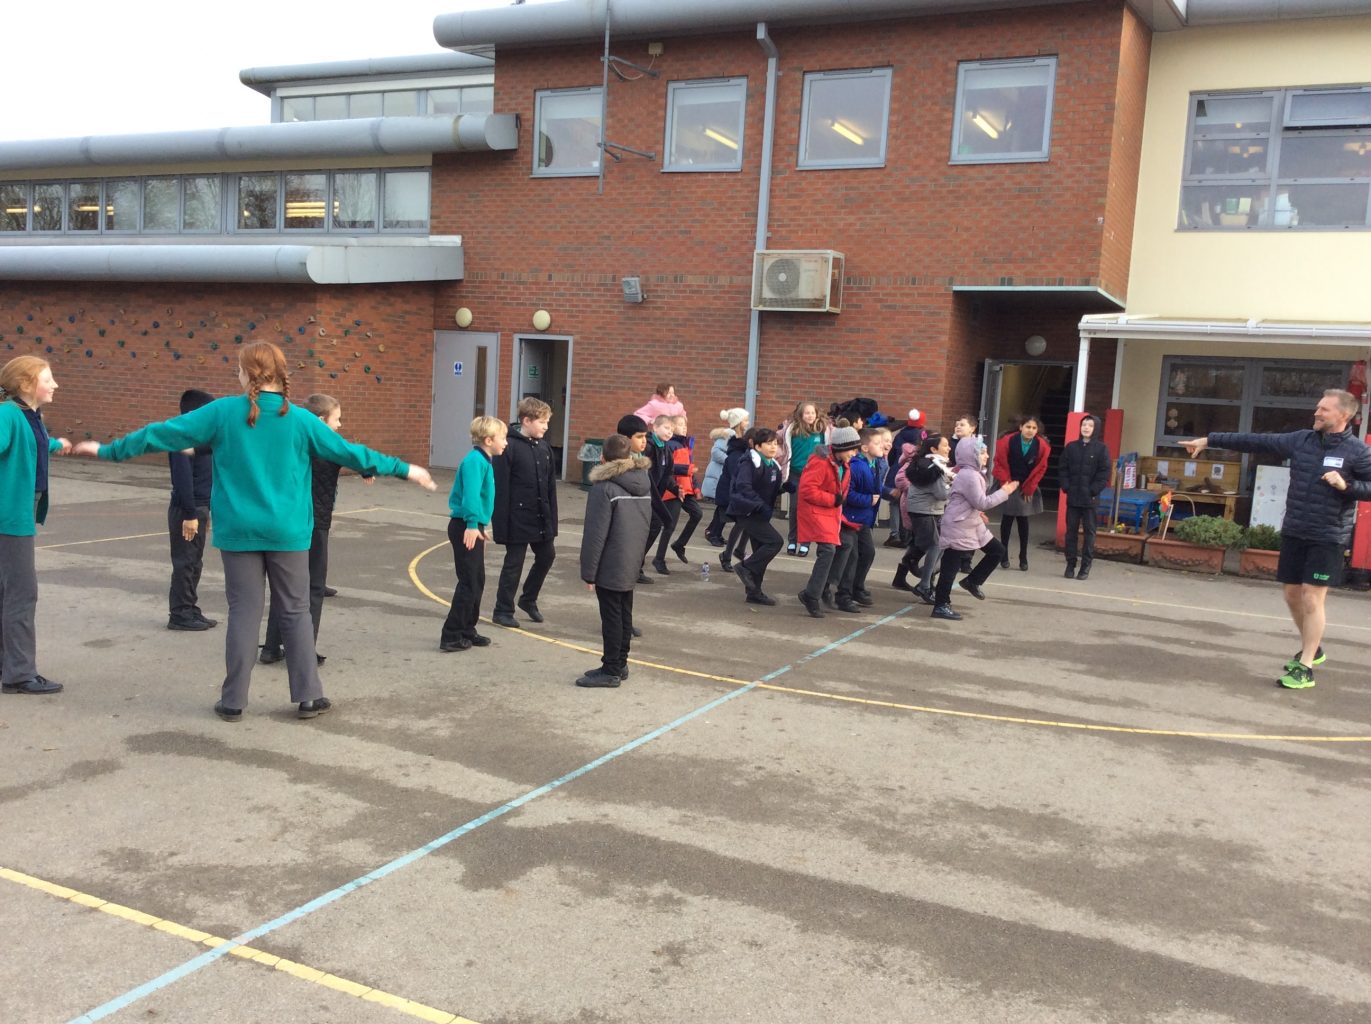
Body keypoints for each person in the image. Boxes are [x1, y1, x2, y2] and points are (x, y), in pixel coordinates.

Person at [75, 341, 436, 721]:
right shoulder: (300, 420)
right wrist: (405, 469)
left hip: (239, 530)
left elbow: (163, 433)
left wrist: (109, 450)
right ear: (281, 375)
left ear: (247, 374)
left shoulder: (222, 412)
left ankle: (233, 701)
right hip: (288, 531)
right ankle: (308, 696)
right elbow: (351, 453)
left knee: (243, 613)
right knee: (295, 611)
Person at [1182, 388, 1371, 689]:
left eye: (1324, 409)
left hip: (1328, 535)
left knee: (1312, 596)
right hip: (1295, 529)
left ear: (1344, 415)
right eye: (1318, 407)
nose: (1316, 412)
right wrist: (1208, 440)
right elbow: (1256, 440)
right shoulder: (1301, 440)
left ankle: (1305, 667)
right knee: (1292, 595)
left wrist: (1346, 485)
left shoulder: (1358, 452)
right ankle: (1314, 647)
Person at [260, 393, 371, 665]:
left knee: (285, 586)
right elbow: (358, 457)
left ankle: (272, 646)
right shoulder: (327, 443)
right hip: (315, 524)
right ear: (321, 420)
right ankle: (303, 650)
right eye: (337, 419)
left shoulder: (292, 439)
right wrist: (367, 469)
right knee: (313, 587)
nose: (340, 425)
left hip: (287, 521)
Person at [0, 356, 72, 696]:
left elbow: (34, 441)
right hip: (9, 516)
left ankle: (8, 665)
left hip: (17, 513)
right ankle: (19, 675)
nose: (55, 384)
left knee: (8, 592)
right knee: (21, 594)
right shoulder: (8, 414)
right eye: (48, 379)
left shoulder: (29, 415)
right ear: (26, 384)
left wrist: (58, 444)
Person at [577, 433, 652, 688]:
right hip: (631, 558)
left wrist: (589, 572)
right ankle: (620, 663)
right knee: (624, 613)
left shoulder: (604, 488)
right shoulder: (643, 482)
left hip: (611, 560)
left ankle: (611, 669)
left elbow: (595, 533)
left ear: (602, 457)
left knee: (611, 616)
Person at [440, 416, 508, 652]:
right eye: (503, 438)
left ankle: (468, 628)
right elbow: (470, 495)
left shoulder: (484, 461)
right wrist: (471, 524)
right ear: (488, 440)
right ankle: (451, 634)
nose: (505, 443)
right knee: (468, 582)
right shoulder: (474, 462)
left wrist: (479, 525)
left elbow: (480, 497)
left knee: (477, 580)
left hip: (472, 525)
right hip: (464, 525)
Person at [490, 397, 558, 629]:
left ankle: (528, 599)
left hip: (540, 516)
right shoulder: (508, 447)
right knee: (514, 563)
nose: (546, 427)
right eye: (542, 422)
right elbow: (500, 489)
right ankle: (502, 610)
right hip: (517, 518)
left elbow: (550, 488)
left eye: (547, 422)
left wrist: (552, 521)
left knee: (547, 555)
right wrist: (501, 525)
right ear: (526, 421)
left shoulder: (544, 448)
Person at [932, 437, 1017, 621]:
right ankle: (941, 604)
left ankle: (972, 580)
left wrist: (978, 513)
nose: (987, 456)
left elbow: (972, 503)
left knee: (997, 550)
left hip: (971, 523)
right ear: (971, 455)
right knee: (950, 567)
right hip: (958, 524)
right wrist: (1005, 492)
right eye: (982, 453)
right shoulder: (969, 475)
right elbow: (981, 502)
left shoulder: (972, 473)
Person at [795, 425, 861, 617]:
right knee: (828, 550)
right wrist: (833, 499)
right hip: (815, 511)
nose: (854, 454)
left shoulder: (843, 464)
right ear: (841, 447)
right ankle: (811, 595)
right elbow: (807, 490)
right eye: (852, 449)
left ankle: (823, 585)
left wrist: (838, 500)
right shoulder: (821, 462)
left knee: (846, 543)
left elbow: (841, 490)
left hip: (831, 512)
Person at [166, 388, 217, 631]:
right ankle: (180, 614)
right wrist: (189, 514)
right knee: (185, 562)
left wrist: (208, 510)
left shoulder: (199, 438)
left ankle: (189, 607)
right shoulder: (181, 437)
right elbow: (182, 479)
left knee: (195, 562)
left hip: (200, 507)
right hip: (188, 509)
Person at [726, 426, 784, 605]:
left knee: (761, 552)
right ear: (758, 447)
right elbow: (743, 487)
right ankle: (745, 567)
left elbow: (766, 488)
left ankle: (754, 592)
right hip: (747, 512)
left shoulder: (772, 465)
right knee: (775, 542)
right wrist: (759, 505)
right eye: (769, 443)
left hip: (760, 512)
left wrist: (783, 489)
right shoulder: (749, 463)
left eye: (775, 443)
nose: (773, 447)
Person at [893, 433, 953, 605]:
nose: (949, 448)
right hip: (924, 510)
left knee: (934, 545)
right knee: (935, 545)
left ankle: (922, 574)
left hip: (928, 510)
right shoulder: (933, 467)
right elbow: (942, 493)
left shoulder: (930, 464)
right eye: (945, 445)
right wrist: (953, 487)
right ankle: (925, 584)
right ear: (933, 449)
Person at [993, 415, 1050, 571]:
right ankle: (1003, 555)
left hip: (1027, 485)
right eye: (1027, 427)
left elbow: (1041, 468)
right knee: (1007, 519)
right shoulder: (1007, 441)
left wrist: (1030, 487)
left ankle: (1023, 556)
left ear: (1037, 430)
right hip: (1009, 483)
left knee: (1023, 520)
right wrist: (1006, 484)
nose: (1030, 430)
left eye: (1034, 428)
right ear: (1021, 427)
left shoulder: (1042, 446)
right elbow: (999, 462)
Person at [1059, 413, 1111, 581]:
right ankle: (1070, 564)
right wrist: (1066, 486)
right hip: (1073, 497)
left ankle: (1085, 565)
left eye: (1090, 425)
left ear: (1096, 428)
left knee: (1089, 533)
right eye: (1084, 425)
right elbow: (1063, 468)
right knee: (1071, 532)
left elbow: (1104, 473)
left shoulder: (1101, 449)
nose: (1086, 428)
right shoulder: (1071, 447)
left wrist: (1093, 490)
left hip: (1090, 499)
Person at [839, 426, 885, 607]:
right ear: (865, 448)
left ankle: (857, 587)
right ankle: (844, 593)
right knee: (852, 557)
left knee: (867, 553)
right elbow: (848, 494)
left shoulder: (875, 464)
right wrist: (868, 500)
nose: (882, 446)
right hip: (852, 518)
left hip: (864, 518)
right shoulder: (857, 466)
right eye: (877, 443)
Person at [778, 401, 828, 556]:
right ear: (800, 415)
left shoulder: (822, 431)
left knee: (808, 509)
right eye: (807, 413)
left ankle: (805, 542)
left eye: (812, 413)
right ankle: (792, 540)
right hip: (795, 473)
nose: (810, 416)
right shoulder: (792, 430)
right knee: (794, 508)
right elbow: (780, 442)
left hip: (813, 476)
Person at [702, 408, 748, 547]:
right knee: (724, 507)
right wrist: (731, 461)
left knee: (723, 507)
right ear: (738, 422)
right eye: (745, 420)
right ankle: (713, 533)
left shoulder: (738, 436)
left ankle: (715, 532)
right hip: (721, 476)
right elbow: (716, 452)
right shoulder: (729, 435)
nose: (747, 422)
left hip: (726, 475)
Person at [884, 409, 927, 546]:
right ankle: (908, 534)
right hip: (914, 474)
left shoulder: (900, 435)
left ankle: (894, 534)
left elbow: (891, 456)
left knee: (895, 503)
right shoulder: (924, 436)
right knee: (909, 503)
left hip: (897, 472)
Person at [646, 414, 681, 575]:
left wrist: (676, 489)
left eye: (672, 430)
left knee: (657, 524)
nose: (669, 432)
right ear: (655, 427)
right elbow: (646, 473)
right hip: (645, 494)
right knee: (654, 524)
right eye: (666, 428)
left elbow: (667, 475)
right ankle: (636, 563)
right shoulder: (648, 446)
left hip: (655, 496)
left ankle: (637, 562)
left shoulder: (666, 449)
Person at [667, 415, 703, 563]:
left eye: (685, 425)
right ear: (672, 427)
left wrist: (696, 488)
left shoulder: (687, 445)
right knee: (669, 525)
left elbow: (690, 469)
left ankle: (679, 544)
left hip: (687, 490)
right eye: (681, 424)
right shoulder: (670, 445)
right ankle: (658, 558)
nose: (684, 427)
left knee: (697, 514)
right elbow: (669, 468)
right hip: (674, 489)